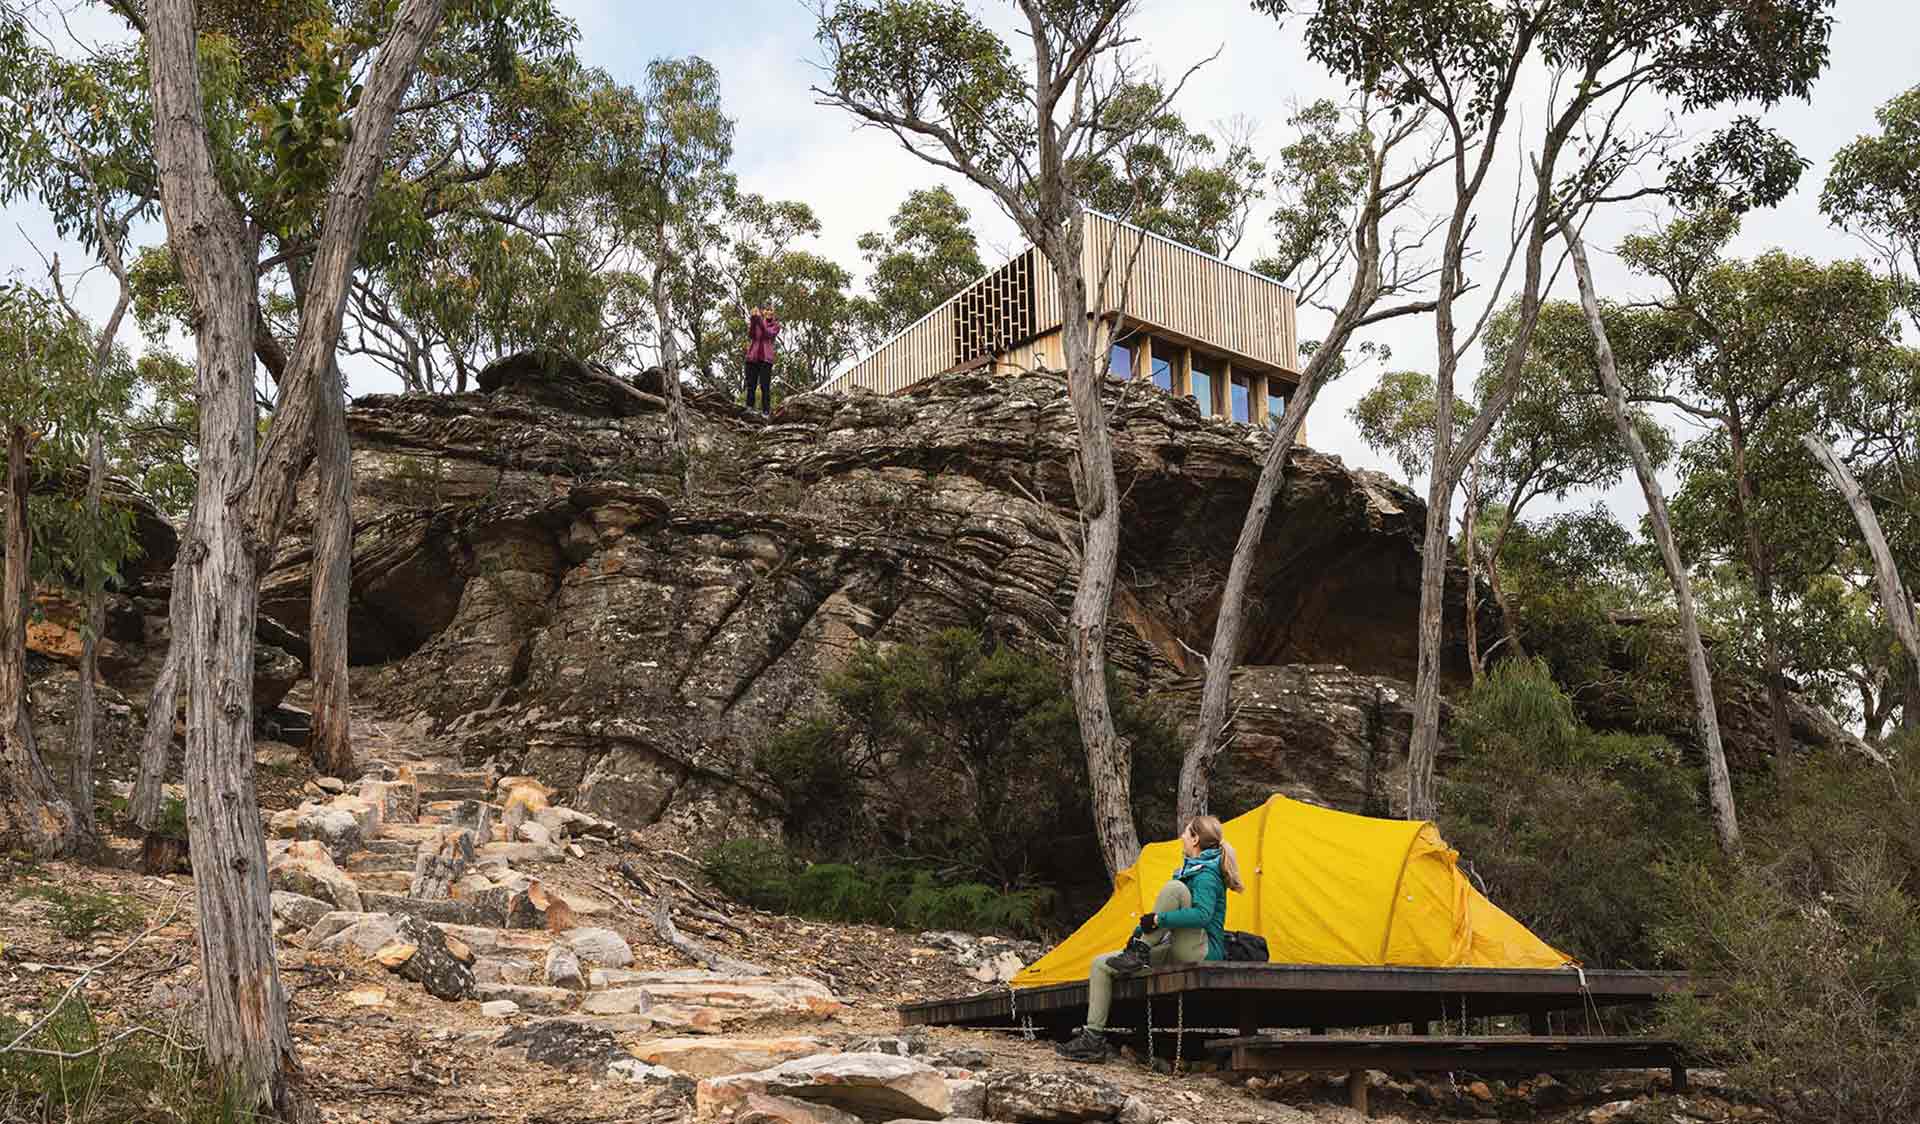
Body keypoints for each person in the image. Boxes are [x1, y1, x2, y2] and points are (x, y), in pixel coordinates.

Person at [1056, 815, 1245, 1063]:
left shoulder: (1207, 875)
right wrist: (1137, 934)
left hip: (1202, 951)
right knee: (1101, 964)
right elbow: (1158, 921)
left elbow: (1201, 915)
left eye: (1187, 833)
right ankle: (1092, 1038)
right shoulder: (1190, 870)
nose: (1182, 837)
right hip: (1179, 948)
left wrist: (1158, 920)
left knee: (1173, 889)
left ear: (1196, 839)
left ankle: (1140, 951)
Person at [744, 305, 779, 414]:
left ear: (774, 312)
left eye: (771, 310)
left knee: (765, 386)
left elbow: (768, 334)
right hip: (752, 358)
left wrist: (758, 321)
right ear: (763, 311)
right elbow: (751, 335)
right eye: (767, 310)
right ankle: (749, 408)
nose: (769, 312)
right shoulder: (758, 321)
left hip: (766, 360)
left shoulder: (776, 326)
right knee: (751, 385)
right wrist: (753, 320)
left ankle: (766, 411)